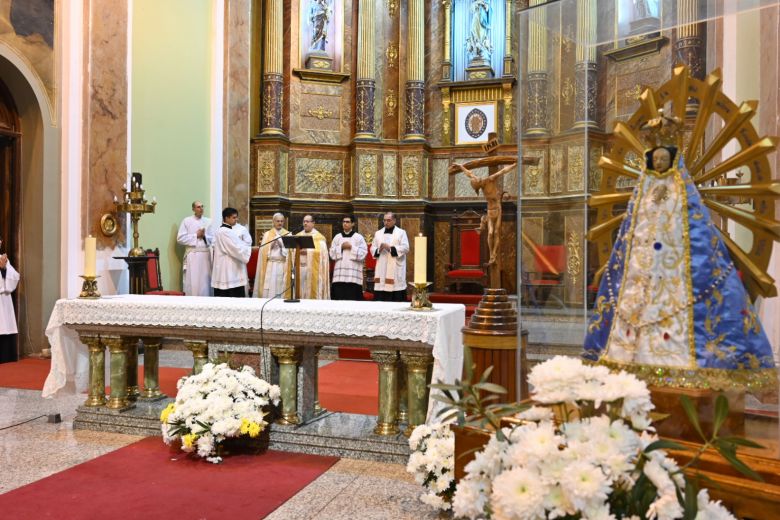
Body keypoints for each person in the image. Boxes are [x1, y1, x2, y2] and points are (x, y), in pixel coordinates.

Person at [584, 111, 776, 389]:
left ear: (673, 160)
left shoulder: (685, 197)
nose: (660, 163)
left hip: (679, 267)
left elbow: (696, 236)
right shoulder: (643, 193)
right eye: (656, 159)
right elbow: (634, 233)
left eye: (664, 159)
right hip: (646, 269)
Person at [211, 207, 252, 297]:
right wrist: (247, 249)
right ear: (226, 218)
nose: (236, 219)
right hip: (229, 270)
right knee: (232, 296)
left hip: (226, 267)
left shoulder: (222, 230)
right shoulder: (225, 232)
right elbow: (236, 249)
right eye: (234, 217)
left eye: (236, 217)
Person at [176, 201, 213, 296]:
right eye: (198, 207)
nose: (201, 209)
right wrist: (196, 235)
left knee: (205, 282)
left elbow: (213, 238)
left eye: (202, 206)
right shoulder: (187, 221)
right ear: (193, 209)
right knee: (193, 281)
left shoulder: (208, 221)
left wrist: (204, 236)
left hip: (205, 256)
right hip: (193, 256)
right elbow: (180, 238)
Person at [371, 212, 409, 302]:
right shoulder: (378, 233)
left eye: (388, 220)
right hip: (382, 267)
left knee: (396, 293)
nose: (386, 222)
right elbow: (373, 248)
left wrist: (390, 248)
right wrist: (378, 250)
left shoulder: (401, 233)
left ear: (394, 221)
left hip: (395, 268)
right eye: (384, 220)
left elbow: (406, 247)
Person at [329, 215, 368, 300]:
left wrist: (351, 247)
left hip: (353, 276)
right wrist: (341, 247)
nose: (345, 224)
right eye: (344, 222)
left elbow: (364, 253)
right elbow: (331, 253)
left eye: (348, 222)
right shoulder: (337, 237)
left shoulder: (358, 237)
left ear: (353, 224)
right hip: (339, 276)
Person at [253, 212, 290, 298]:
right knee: (270, 286)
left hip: (282, 265)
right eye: (277, 221)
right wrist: (271, 246)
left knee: (280, 286)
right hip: (270, 265)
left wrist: (281, 246)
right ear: (273, 222)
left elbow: (290, 253)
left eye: (282, 221)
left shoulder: (288, 234)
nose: (280, 223)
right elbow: (262, 251)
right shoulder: (267, 235)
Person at [296, 215, 330, 299]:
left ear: (313, 223)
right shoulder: (298, 235)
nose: (305, 223)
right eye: (304, 221)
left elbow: (323, 254)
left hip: (312, 270)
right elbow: (291, 250)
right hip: (299, 269)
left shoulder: (319, 238)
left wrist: (308, 252)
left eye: (307, 221)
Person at [0, 246, 19, 364]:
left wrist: (4, 269)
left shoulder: (3, 259)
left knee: (4, 326)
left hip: (3, 299)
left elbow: (15, 277)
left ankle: (5, 357)